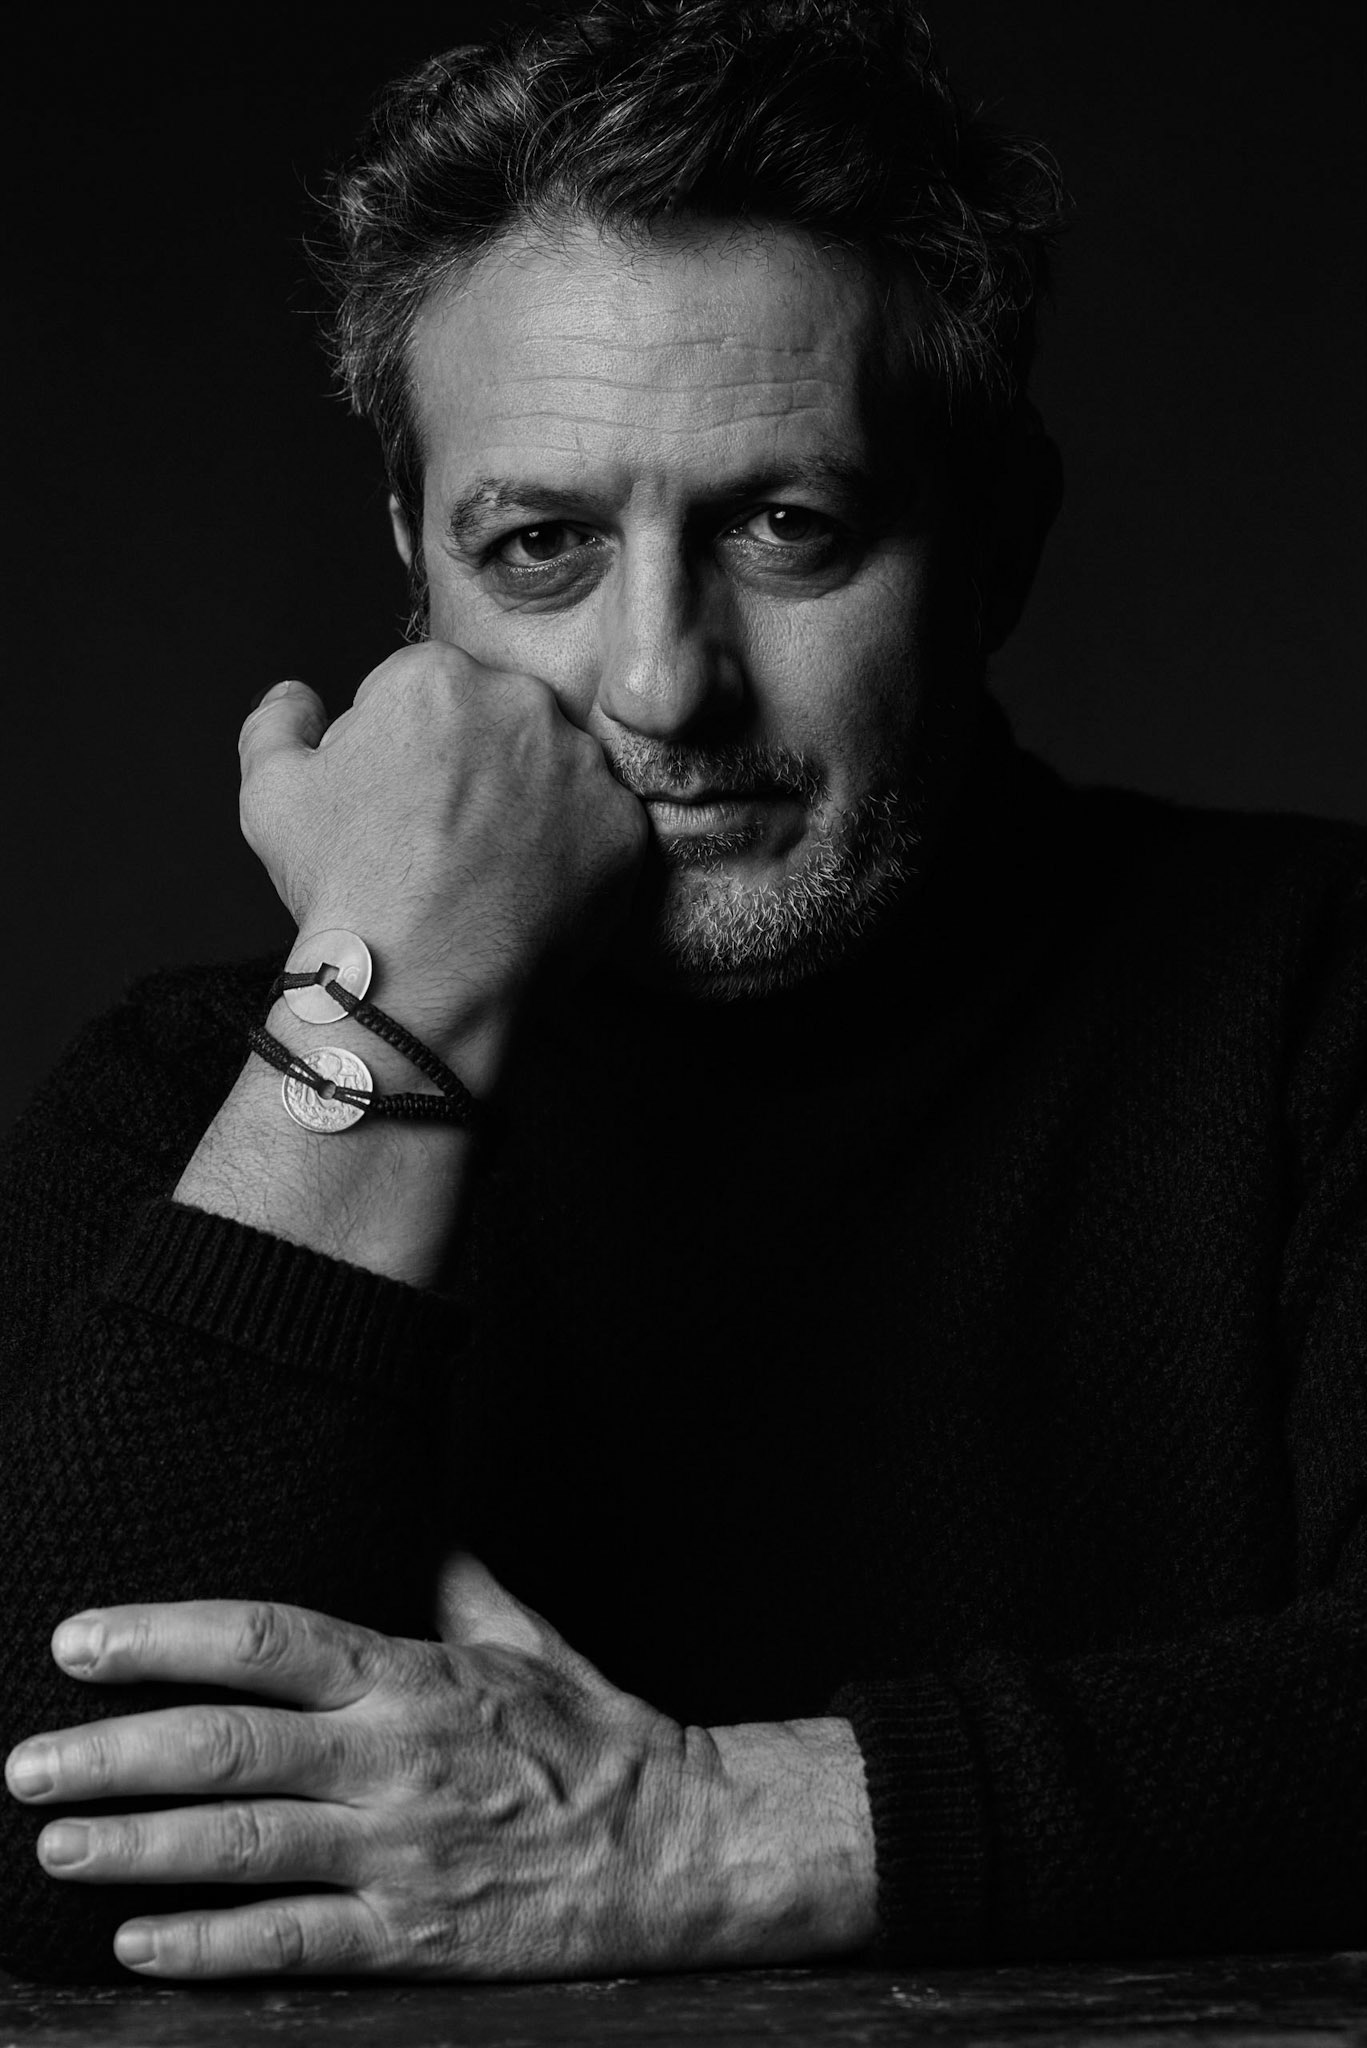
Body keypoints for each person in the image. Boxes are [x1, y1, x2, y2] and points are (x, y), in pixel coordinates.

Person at [1, 0, 1363, 1987]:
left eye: (788, 528)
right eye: (543, 546)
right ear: (415, 572)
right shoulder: (190, 1105)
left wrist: (717, 1830)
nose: (663, 683)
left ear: (999, 542)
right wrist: (396, 995)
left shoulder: (1318, 999)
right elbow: (46, 1843)